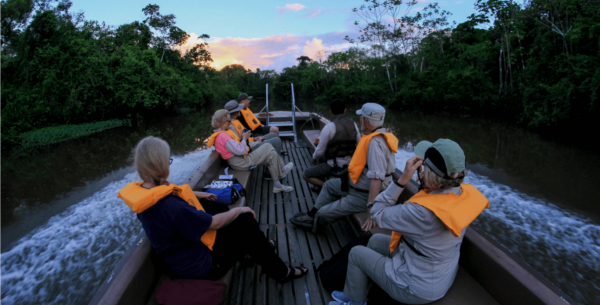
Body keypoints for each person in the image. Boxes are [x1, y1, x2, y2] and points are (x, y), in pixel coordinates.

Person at [118, 136, 308, 283]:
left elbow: (172, 202)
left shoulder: (145, 191)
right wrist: (240, 210)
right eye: (168, 161)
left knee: (214, 205)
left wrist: (195, 194)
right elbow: (213, 223)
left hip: (183, 254)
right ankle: (281, 272)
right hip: (202, 265)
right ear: (160, 165)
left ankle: (254, 249)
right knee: (245, 220)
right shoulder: (171, 207)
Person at [329, 139, 490, 305]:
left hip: (416, 288)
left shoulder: (421, 211)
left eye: (424, 166)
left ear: (430, 174)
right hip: (438, 273)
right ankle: (359, 291)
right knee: (375, 240)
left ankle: (354, 301)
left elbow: (377, 212)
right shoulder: (461, 195)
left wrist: (403, 179)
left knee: (356, 254)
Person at [290, 103, 397, 233]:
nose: (360, 119)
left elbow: (376, 179)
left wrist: (371, 212)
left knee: (323, 214)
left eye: (361, 117)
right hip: (356, 186)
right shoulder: (377, 136)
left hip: (363, 195)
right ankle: (311, 215)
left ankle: (314, 223)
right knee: (329, 184)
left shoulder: (375, 144)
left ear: (366, 121)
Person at [208, 109, 294, 193]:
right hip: (240, 163)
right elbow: (241, 150)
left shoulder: (222, 134)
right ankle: (281, 170)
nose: (230, 122)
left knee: (270, 153)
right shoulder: (223, 136)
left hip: (239, 159)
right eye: (229, 121)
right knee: (267, 146)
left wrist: (242, 138)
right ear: (223, 121)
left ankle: (277, 185)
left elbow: (235, 148)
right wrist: (244, 138)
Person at [302, 99, 361, 193]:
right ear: (345, 110)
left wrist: (314, 158)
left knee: (305, 174)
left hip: (334, 166)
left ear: (331, 111)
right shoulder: (353, 124)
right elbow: (359, 144)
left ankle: (327, 187)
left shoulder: (329, 127)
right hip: (350, 164)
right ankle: (322, 187)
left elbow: (320, 151)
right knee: (322, 159)